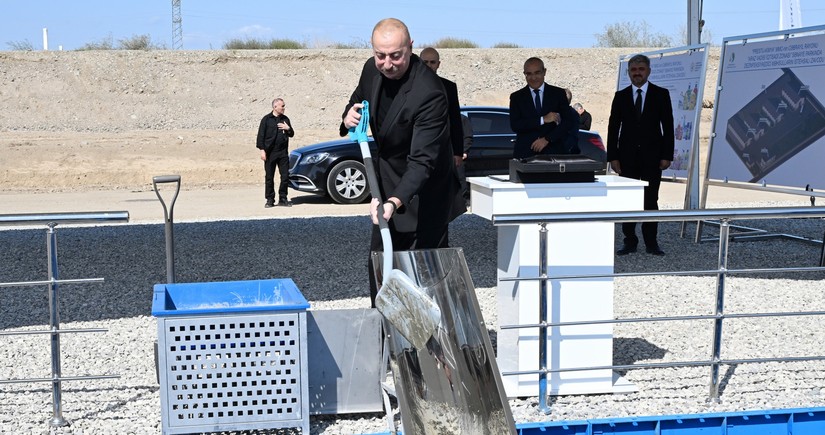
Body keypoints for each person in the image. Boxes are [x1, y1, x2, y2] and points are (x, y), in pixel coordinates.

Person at [340, 18, 462, 304]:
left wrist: (394, 201)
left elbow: (422, 162)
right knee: (381, 268)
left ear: (410, 47)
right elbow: (359, 98)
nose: (387, 63)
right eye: (380, 55)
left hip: (423, 197)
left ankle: (428, 346)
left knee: (422, 282)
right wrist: (348, 116)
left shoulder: (429, 92)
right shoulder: (371, 69)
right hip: (386, 185)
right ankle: (385, 336)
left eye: (396, 55)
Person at [607, 54, 675, 256]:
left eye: (641, 69)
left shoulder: (661, 94)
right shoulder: (621, 96)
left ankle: (651, 242)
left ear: (648, 71)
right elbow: (613, 128)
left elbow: (668, 127)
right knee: (627, 201)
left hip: (652, 158)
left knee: (651, 200)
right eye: (633, 70)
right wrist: (613, 157)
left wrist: (666, 155)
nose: (637, 73)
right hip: (626, 158)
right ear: (628, 72)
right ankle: (629, 241)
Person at [509, 57, 577, 158]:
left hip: (554, 153)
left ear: (544, 72)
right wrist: (542, 119)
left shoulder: (558, 94)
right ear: (524, 74)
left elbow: (568, 122)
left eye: (537, 73)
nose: (533, 77)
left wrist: (547, 139)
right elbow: (515, 125)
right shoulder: (517, 97)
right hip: (525, 154)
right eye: (529, 74)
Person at [256, 98, 294, 207]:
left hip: (282, 153)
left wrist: (288, 128)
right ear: (275, 107)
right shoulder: (266, 119)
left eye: (284, 105)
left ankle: (283, 198)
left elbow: (291, 134)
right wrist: (262, 151)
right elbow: (260, 137)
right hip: (270, 153)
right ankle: (270, 199)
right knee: (269, 177)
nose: (283, 108)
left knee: (285, 176)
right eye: (282, 106)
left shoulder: (285, 119)